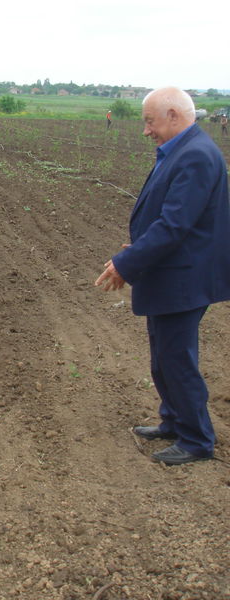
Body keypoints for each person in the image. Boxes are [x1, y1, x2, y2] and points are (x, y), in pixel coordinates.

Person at [95, 86, 230, 465]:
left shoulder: (196, 156)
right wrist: (135, 251)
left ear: (173, 115)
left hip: (184, 279)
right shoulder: (184, 150)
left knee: (176, 359)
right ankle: (173, 421)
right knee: (163, 358)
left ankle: (196, 440)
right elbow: (168, 219)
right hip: (171, 273)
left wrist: (127, 263)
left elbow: (174, 225)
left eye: (149, 121)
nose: (146, 130)